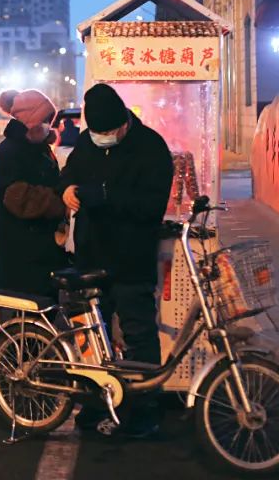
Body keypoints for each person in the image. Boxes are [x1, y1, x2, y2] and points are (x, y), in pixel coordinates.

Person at [60, 83, 174, 439]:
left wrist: (104, 197)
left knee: (139, 335)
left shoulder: (151, 147)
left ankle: (144, 412)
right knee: (91, 336)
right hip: (91, 257)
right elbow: (70, 174)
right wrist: (66, 189)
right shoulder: (85, 142)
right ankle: (94, 407)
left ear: (124, 121)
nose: (103, 138)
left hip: (131, 259)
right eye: (97, 133)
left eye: (109, 132)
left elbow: (151, 207)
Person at [0, 89, 70, 297]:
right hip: (22, 250)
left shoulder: (37, 146)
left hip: (39, 246)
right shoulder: (12, 150)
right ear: (31, 120)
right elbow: (17, 196)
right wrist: (59, 202)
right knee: (32, 313)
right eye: (45, 120)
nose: (48, 126)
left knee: (45, 309)